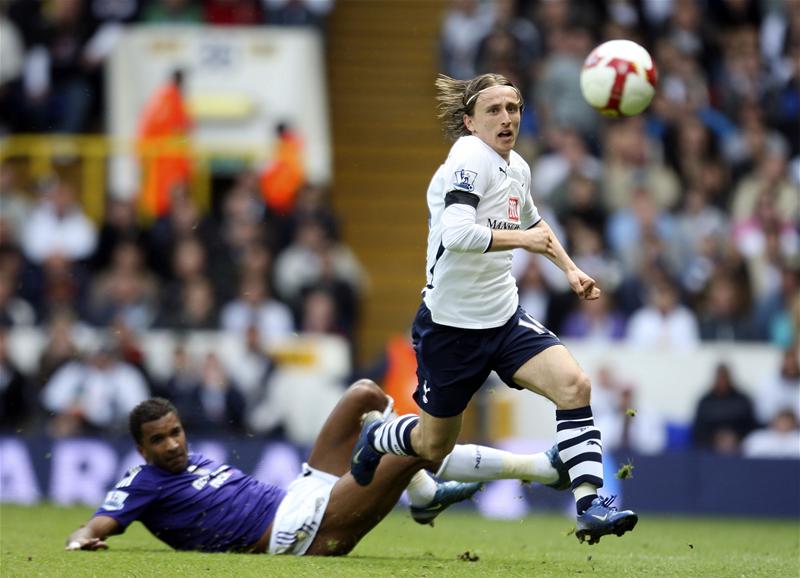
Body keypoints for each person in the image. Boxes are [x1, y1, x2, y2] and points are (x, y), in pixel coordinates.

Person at [349, 73, 637, 545]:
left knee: (574, 385)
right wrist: (524, 240)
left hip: (503, 317)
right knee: (432, 445)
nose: (508, 119)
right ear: (470, 122)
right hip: (451, 327)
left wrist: (570, 270)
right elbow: (456, 234)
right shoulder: (467, 157)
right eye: (495, 110)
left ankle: (591, 505)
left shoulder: (517, 167)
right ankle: (379, 436)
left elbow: (536, 224)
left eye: (514, 108)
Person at [64, 380, 571, 555]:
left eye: (176, 432)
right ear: (140, 448)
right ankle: (541, 469)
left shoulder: (189, 460)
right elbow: (101, 521)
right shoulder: (143, 483)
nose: (174, 444)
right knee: (415, 444)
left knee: (365, 396)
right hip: (295, 533)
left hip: (299, 494)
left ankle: (421, 494)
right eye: (159, 439)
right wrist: (83, 537)